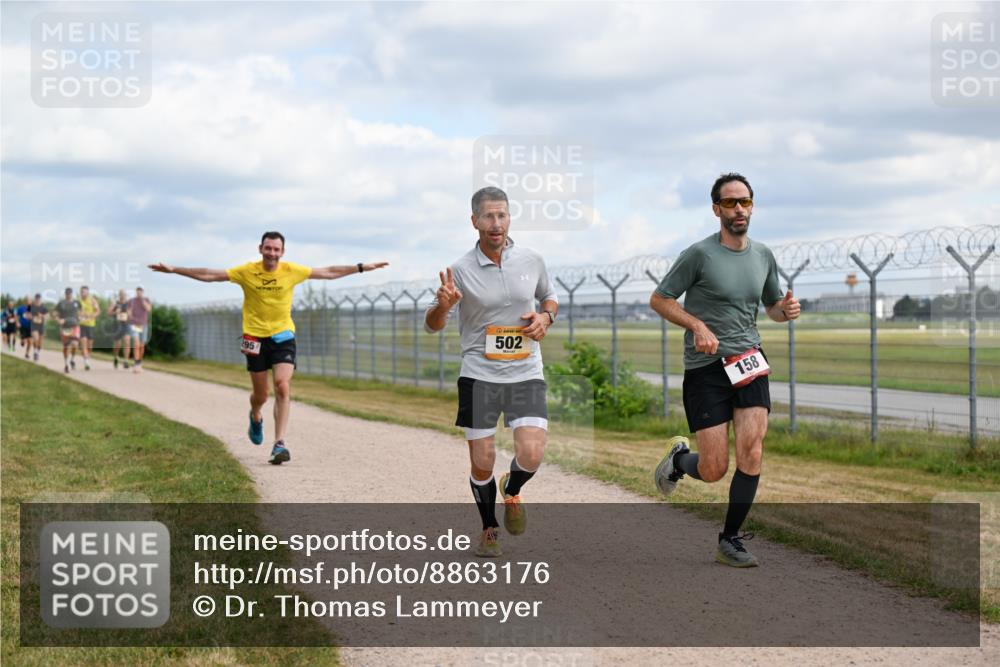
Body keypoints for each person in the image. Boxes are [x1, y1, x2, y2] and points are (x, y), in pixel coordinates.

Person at [650, 172, 800, 568]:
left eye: (745, 202)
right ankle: (680, 459)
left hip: (749, 361)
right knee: (714, 469)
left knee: (752, 450)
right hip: (706, 369)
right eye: (731, 203)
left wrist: (784, 312)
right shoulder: (699, 254)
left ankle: (729, 539)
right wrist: (696, 325)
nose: (739, 209)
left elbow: (770, 306)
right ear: (716, 209)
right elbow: (660, 299)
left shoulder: (763, 255)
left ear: (752, 206)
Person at [150, 231, 388, 465]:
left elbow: (328, 272)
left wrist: (360, 267)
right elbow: (210, 275)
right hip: (254, 338)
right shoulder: (246, 271)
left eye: (276, 249)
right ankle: (255, 415)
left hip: (283, 336)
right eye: (268, 248)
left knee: (282, 386)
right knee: (261, 395)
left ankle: (279, 443)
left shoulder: (292, 271)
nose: (272, 253)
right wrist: (174, 270)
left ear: (282, 252)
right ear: (260, 249)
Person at [424, 187, 558, 558]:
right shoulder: (461, 271)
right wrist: (444, 306)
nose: (495, 223)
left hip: (526, 370)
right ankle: (488, 528)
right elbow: (432, 324)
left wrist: (546, 316)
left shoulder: (532, 260)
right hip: (480, 374)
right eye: (487, 216)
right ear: (474, 222)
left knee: (531, 453)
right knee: (482, 460)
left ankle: (511, 489)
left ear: (509, 218)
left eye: (501, 215)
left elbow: (550, 297)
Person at [53, 287, 82, 373]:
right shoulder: (61, 303)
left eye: (70, 293)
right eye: (67, 293)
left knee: (75, 344)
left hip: (75, 326)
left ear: (72, 294)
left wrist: (81, 318)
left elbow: (81, 312)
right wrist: (58, 320)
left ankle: (72, 359)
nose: (68, 295)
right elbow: (54, 314)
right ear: (65, 294)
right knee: (67, 346)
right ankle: (66, 364)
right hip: (65, 327)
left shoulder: (77, 303)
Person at [126, 287, 152, 373]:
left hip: (143, 325)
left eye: (140, 292)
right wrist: (130, 316)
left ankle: (139, 363)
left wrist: (142, 301)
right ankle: (136, 364)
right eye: (137, 292)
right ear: (136, 292)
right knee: (136, 343)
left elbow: (148, 309)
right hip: (134, 324)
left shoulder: (146, 300)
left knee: (141, 345)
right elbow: (128, 312)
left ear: (143, 292)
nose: (138, 293)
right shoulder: (131, 301)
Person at [77, 285, 100, 370]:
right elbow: (75, 311)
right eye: (82, 292)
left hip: (90, 325)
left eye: (85, 292)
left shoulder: (92, 300)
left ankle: (87, 356)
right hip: (81, 324)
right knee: (83, 342)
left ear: (88, 292)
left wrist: (91, 315)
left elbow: (98, 311)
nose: (83, 293)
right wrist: (78, 316)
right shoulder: (78, 301)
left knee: (89, 345)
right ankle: (86, 362)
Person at [108, 290, 131, 369]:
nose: (123, 296)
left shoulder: (128, 304)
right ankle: (116, 357)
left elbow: (131, 315)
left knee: (127, 341)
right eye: (121, 294)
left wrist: (128, 313)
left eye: (124, 294)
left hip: (126, 325)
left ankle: (126, 361)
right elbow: (109, 313)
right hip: (117, 326)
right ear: (119, 295)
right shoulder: (115, 303)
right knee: (118, 345)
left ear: (126, 295)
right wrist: (115, 312)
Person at [28, 294, 48, 362]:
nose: (37, 299)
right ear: (35, 299)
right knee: (35, 339)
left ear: (40, 299)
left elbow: (47, 316)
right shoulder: (31, 306)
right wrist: (30, 317)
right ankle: (35, 352)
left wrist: (42, 315)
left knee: (40, 343)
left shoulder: (43, 307)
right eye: (36, 298)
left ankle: (37, 352)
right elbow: (27, 314)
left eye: (38, 298)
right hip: (34, 325)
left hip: (41, 326)